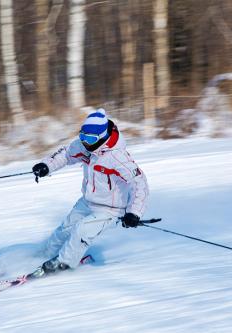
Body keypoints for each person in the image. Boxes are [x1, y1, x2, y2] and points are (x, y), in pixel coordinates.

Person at [31, 108, 149, 277]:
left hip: (111, 208)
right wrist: (46, 165)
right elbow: (66, 154)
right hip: (88, 202)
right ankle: (44, 255)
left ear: (102, 137)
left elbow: (139, 183)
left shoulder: (117, 157)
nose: (85, 142)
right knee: (63, 230)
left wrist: (134, 212)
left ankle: (64, 263)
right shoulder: (86, 146)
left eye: (90, 139)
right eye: (83, 136)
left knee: (81, 230)